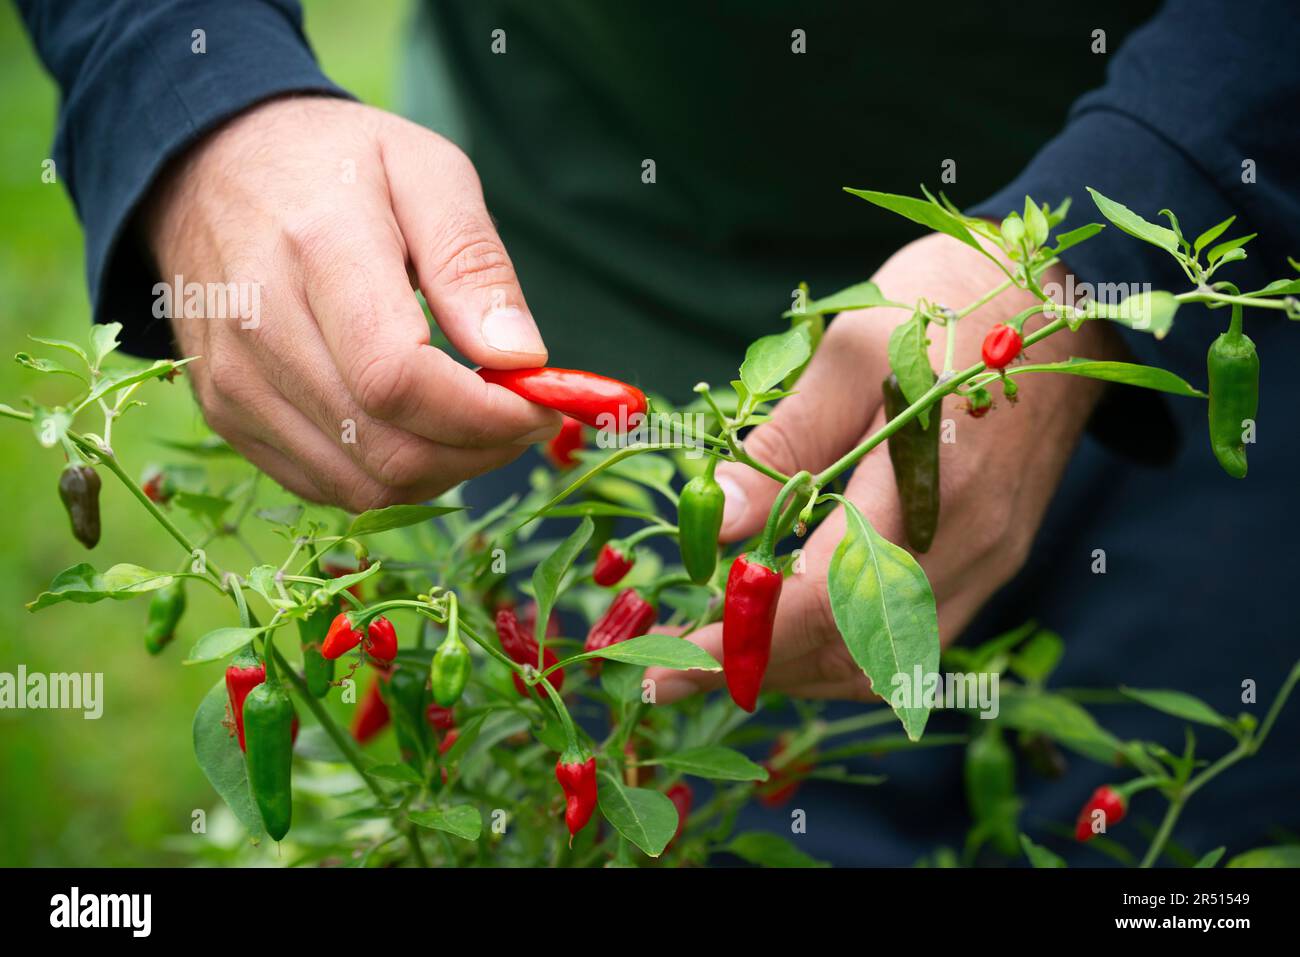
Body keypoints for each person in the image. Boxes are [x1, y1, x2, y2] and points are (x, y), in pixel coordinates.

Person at [17, 0, 1299, 865]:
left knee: (1198, 841)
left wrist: (1124, 206)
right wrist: (196, 85)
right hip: (579, 284)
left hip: (1225, 248)